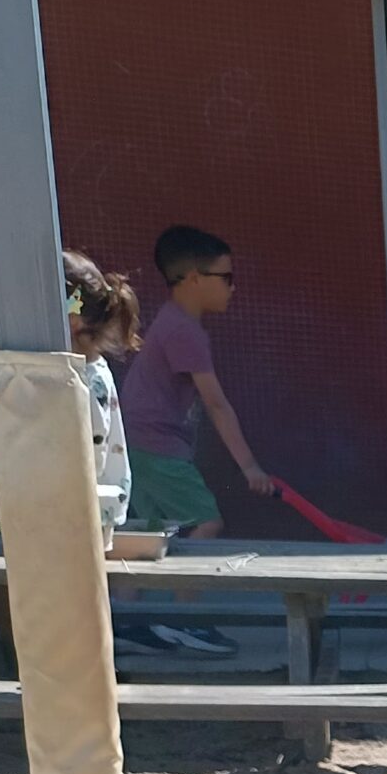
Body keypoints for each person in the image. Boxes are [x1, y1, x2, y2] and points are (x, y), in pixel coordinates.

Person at [0, 251, 232, 660]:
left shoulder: (80, 381)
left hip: (76, 520)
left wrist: (5, 461)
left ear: (70, 316)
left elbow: (73, 460)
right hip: (73, 518)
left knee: (64, 638)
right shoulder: (78, 373)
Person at [118, 225, 270, 542]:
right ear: (194, 279)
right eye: (226, 278)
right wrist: (250, 467)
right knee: (208, 522)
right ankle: (186, 578)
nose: (232, 287)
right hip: (156, 446)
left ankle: (146, 578)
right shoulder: (184, 331)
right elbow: (216, 404)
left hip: (137, 443)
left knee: (153, 533)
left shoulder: (174, 320)